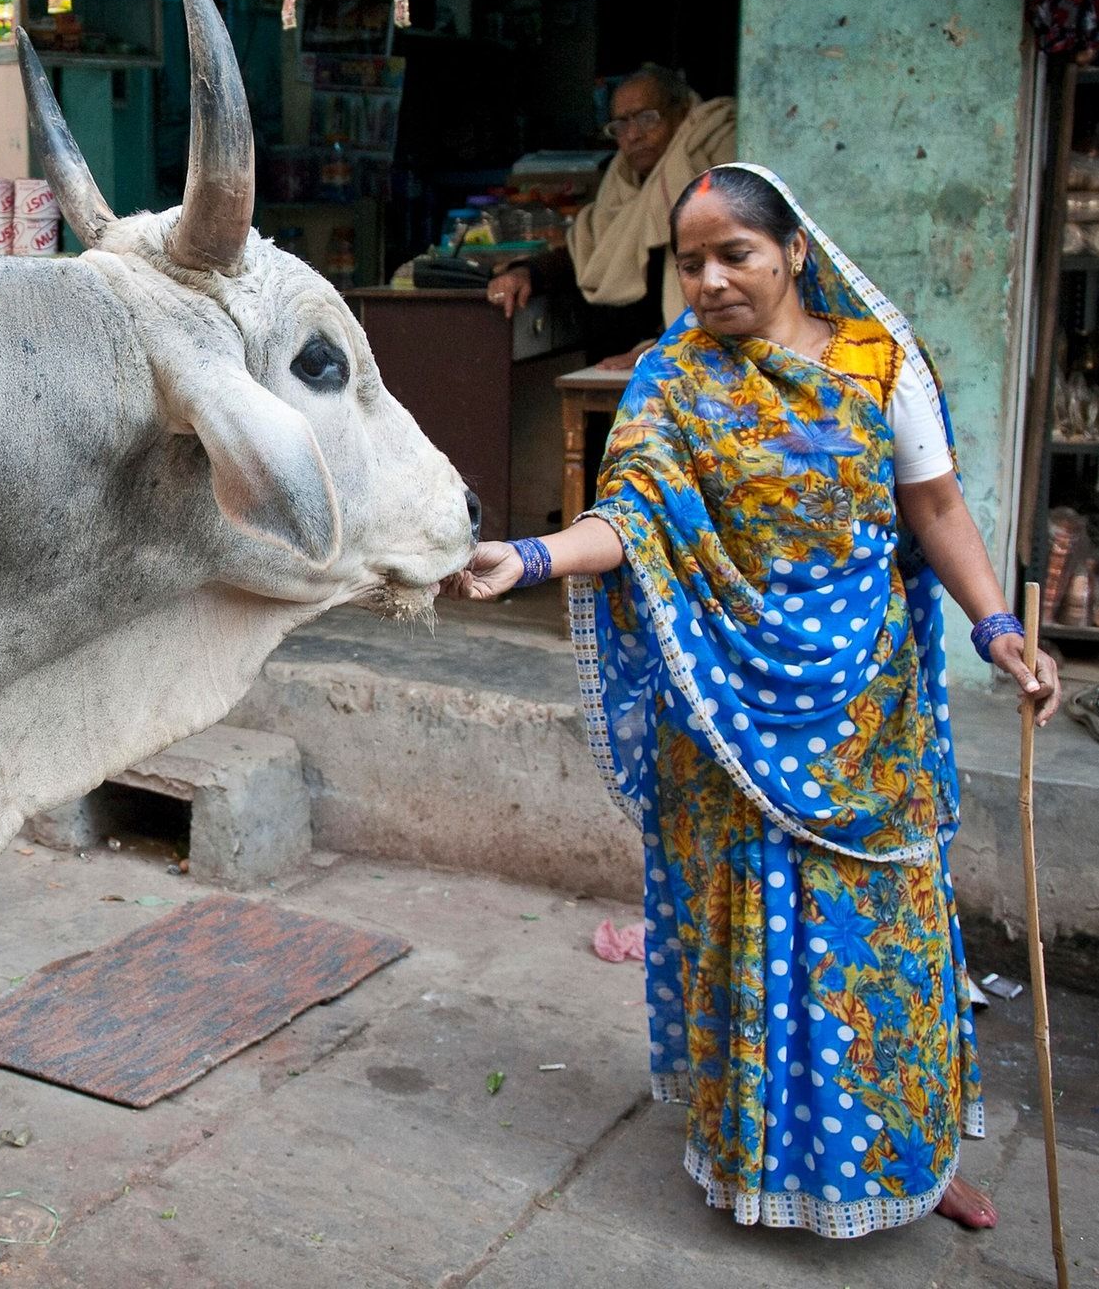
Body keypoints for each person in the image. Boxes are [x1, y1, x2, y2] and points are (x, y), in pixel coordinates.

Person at [443, 163, 1061, 1239]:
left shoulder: (876, 361)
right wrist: (534, 555)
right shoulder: (672, 382)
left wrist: (996, 626)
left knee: (886, 938)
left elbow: (935, 504)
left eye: (735, 253)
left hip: (868, 712)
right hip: (726, 716)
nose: (712, 280)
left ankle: (913, 1161)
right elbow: (630, 517)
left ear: (792, 251)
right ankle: (761, 1162)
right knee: (752, 933)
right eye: (689, 264)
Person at [485, 65, 735, 369]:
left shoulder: (708, 153)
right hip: (631, 353)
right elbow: (593, 248)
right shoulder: (621, 181)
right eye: (620, 124)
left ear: (681, 112)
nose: (633, 135)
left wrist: (664, 343)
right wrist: (529, 273)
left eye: (647, 118)